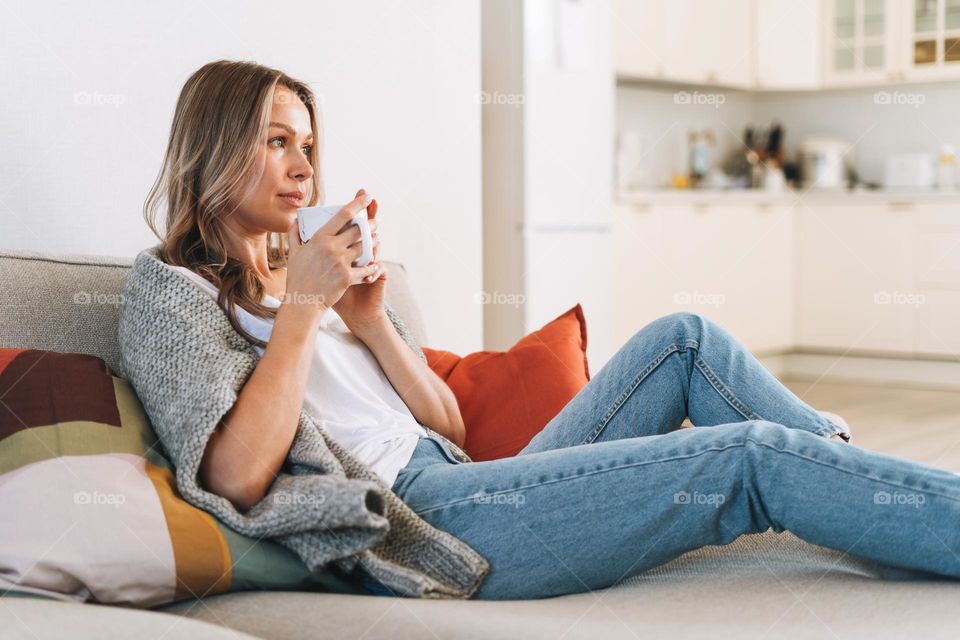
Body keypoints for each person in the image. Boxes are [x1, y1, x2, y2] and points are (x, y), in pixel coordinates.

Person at [130, 60, 960, 601]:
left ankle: (858, 487)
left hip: (464, 479)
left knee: (685, 338)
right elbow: (237, 478)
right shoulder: (170, 294)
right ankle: (885, 501)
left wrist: (372, 326)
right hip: (422, 525)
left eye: (307, 144)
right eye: (277, 143)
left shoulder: (313, 282)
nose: (306, 168)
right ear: (214, 147)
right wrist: (304, 312)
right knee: (744, 455)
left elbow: (450, 430)